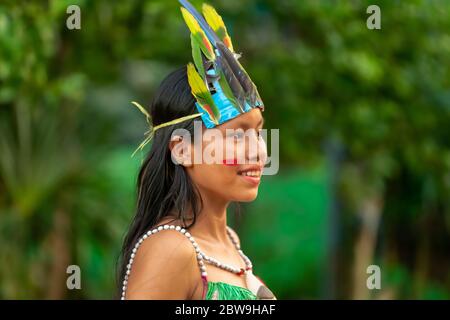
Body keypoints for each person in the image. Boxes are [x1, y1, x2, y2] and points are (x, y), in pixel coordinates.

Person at [118, 0, 276, 300]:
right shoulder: (170, 250)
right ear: (182, 150)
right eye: (237, 135)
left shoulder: (230, 241)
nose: (259, 152)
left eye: (257, 132)